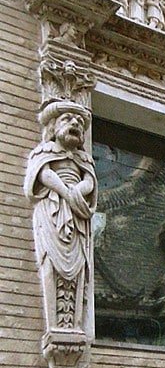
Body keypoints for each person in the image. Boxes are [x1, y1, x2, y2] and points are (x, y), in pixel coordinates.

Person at [24, 101, 97, 333]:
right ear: (54, 127)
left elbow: (90, 180)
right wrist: (67, 193)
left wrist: (78, 191)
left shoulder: (84, 159)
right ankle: (57, 326)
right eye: (67, 119)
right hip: (53, 210)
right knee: (51, 261)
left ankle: (73, 324)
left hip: (77, 216)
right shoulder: (44, 151)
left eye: (80, 123)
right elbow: (43, 173)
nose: (75, 123)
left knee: (78, 265)